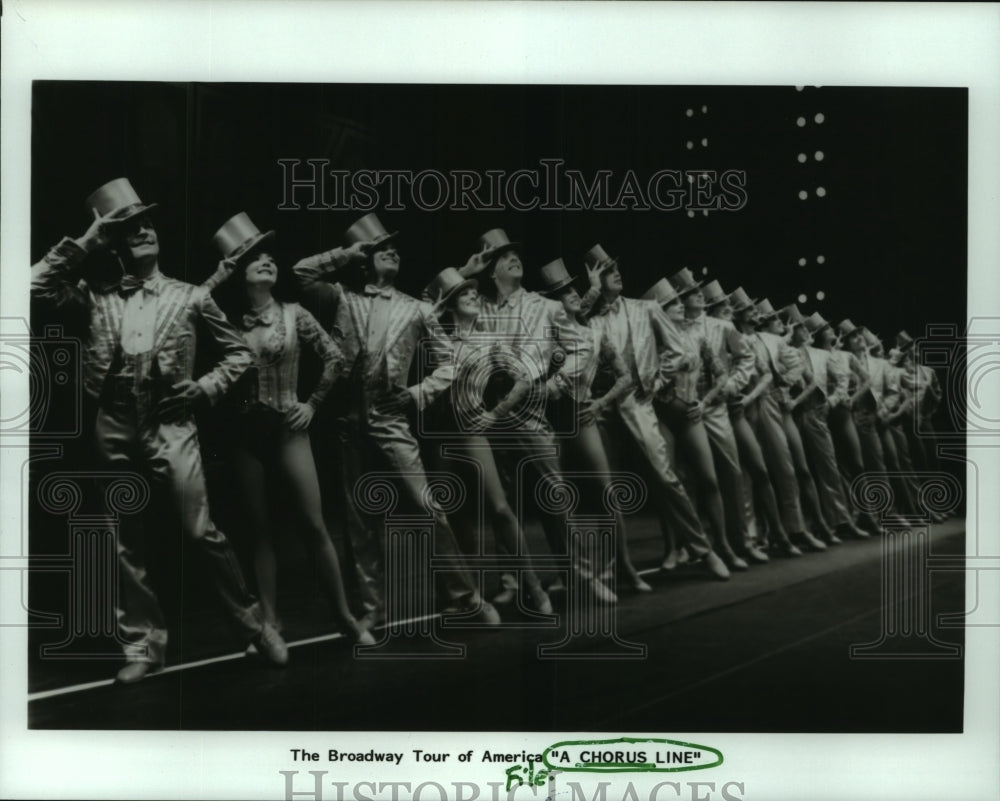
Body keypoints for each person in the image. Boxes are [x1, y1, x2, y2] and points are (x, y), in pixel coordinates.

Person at [30, 178, 287, 683]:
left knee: (200, 529)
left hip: (172, 423)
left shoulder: (190, 297)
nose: (142, 230)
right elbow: (32, 287)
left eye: (147, 223)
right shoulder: (93, 295)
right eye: (129, 228)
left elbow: (238, 354)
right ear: (115, 242)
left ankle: (254, 626)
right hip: (113, 421)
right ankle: (144, 646)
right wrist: (87, 240)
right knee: (123, 537)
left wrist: (206, 388)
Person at [294, 213, 500, 625]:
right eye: (380, 247)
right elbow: (301, 273)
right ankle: (371, 607)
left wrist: (417, 394)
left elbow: (449, 363)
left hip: (390, 417)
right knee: (358, 519)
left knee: (428, 508)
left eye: (394, 248)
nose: (391, 251)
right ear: (365, 260)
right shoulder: (342, 298)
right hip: (348, 421)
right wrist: (345, 253)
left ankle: (464, 596)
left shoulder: (416, 309)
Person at [202, 212, 375, 646]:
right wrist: (217, 274)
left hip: (288, 430)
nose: (265, 261)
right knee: (258, 531)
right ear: (238, 271)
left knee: (314, 526)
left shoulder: (295, 313)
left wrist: (312, 404)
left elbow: (336, 358)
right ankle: (272, 623)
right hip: (245, 437)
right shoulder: (225, 319)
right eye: (252, 258)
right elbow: (185, 305)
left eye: (268, 256)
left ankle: (345, 617)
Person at [459, 230, 618, 603]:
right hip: (490, 411)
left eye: (516, 254)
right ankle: (513, 583)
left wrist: (556, 386)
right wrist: (465, 271)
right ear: (490, 269)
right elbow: (431, 303)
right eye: (503, 256)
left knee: (554, 496)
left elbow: (582, 347)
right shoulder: (478, 304)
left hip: (531, 411)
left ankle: (581, 576)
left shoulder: (543, 306)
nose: (514, 258)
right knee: (504, 504)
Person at [573, 245, 730, 580]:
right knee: (606, 488)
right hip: (598, 407)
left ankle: (704, 550)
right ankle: (618, 566)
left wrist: (655, 383)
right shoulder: (589, 314)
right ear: (594, 277)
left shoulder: (645, 308)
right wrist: (593, 292)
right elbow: (572, 327)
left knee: (665, 477)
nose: (616, 272)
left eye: (616, 266)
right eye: (606, 268)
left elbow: (677, 350)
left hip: (636, 401)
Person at [422, 266, 554, 613]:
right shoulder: (435, 334)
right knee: (449, 514)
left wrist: (494, 413)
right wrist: (434, 315)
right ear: (449, 305)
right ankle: (462, 597)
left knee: (499, 507)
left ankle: (534, 587)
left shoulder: (489, 340)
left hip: (470, 428)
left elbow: (523, 379)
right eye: (463, 293)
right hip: (438, 432)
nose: (472, 296)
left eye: (473, 293)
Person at [539, 258, 651, 593]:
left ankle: (624, 567)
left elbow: (626, 376)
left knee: (606, 492)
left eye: (572, 289)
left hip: (581, 413)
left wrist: (600, 404)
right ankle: (570, 571)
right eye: (562, 292)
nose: (571, 294)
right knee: (559, 500)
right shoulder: (546, 332)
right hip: (549, 418)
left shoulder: (594, 334)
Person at [646, 275, 748, 571]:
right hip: (662, 415)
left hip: (692, 415)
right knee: (671, 483)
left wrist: (704, 403)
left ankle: (723, 545)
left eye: (680, 300)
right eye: (671, 303)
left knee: (709, 479)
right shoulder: (650, 341)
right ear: (660, 312)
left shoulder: (698, 336)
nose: (679, 305)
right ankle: (673, 548)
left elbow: (720, 375)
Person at [673, 274, 767, 566]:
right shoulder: (673, 328)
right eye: (691, 292)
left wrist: (731, 386)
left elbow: (746, 359)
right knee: (691, 479)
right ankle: (696, 546)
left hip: (715, 407)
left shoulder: (722, 326)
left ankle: (741, 542)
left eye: (699, 291)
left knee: (731, 472)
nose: (698, 295)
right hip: (685, 409)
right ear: (680, 298)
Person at [790, 311, 871, 539]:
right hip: (794, 414)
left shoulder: (821, 355)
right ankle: (816, 524)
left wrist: (833, 401)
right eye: (800, 327)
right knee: (804, 471)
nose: (805, 330)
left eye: (806, 328)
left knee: (829, 467)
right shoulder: (787, 351)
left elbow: (843, 379)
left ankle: (843, 520)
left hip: (815, 413)